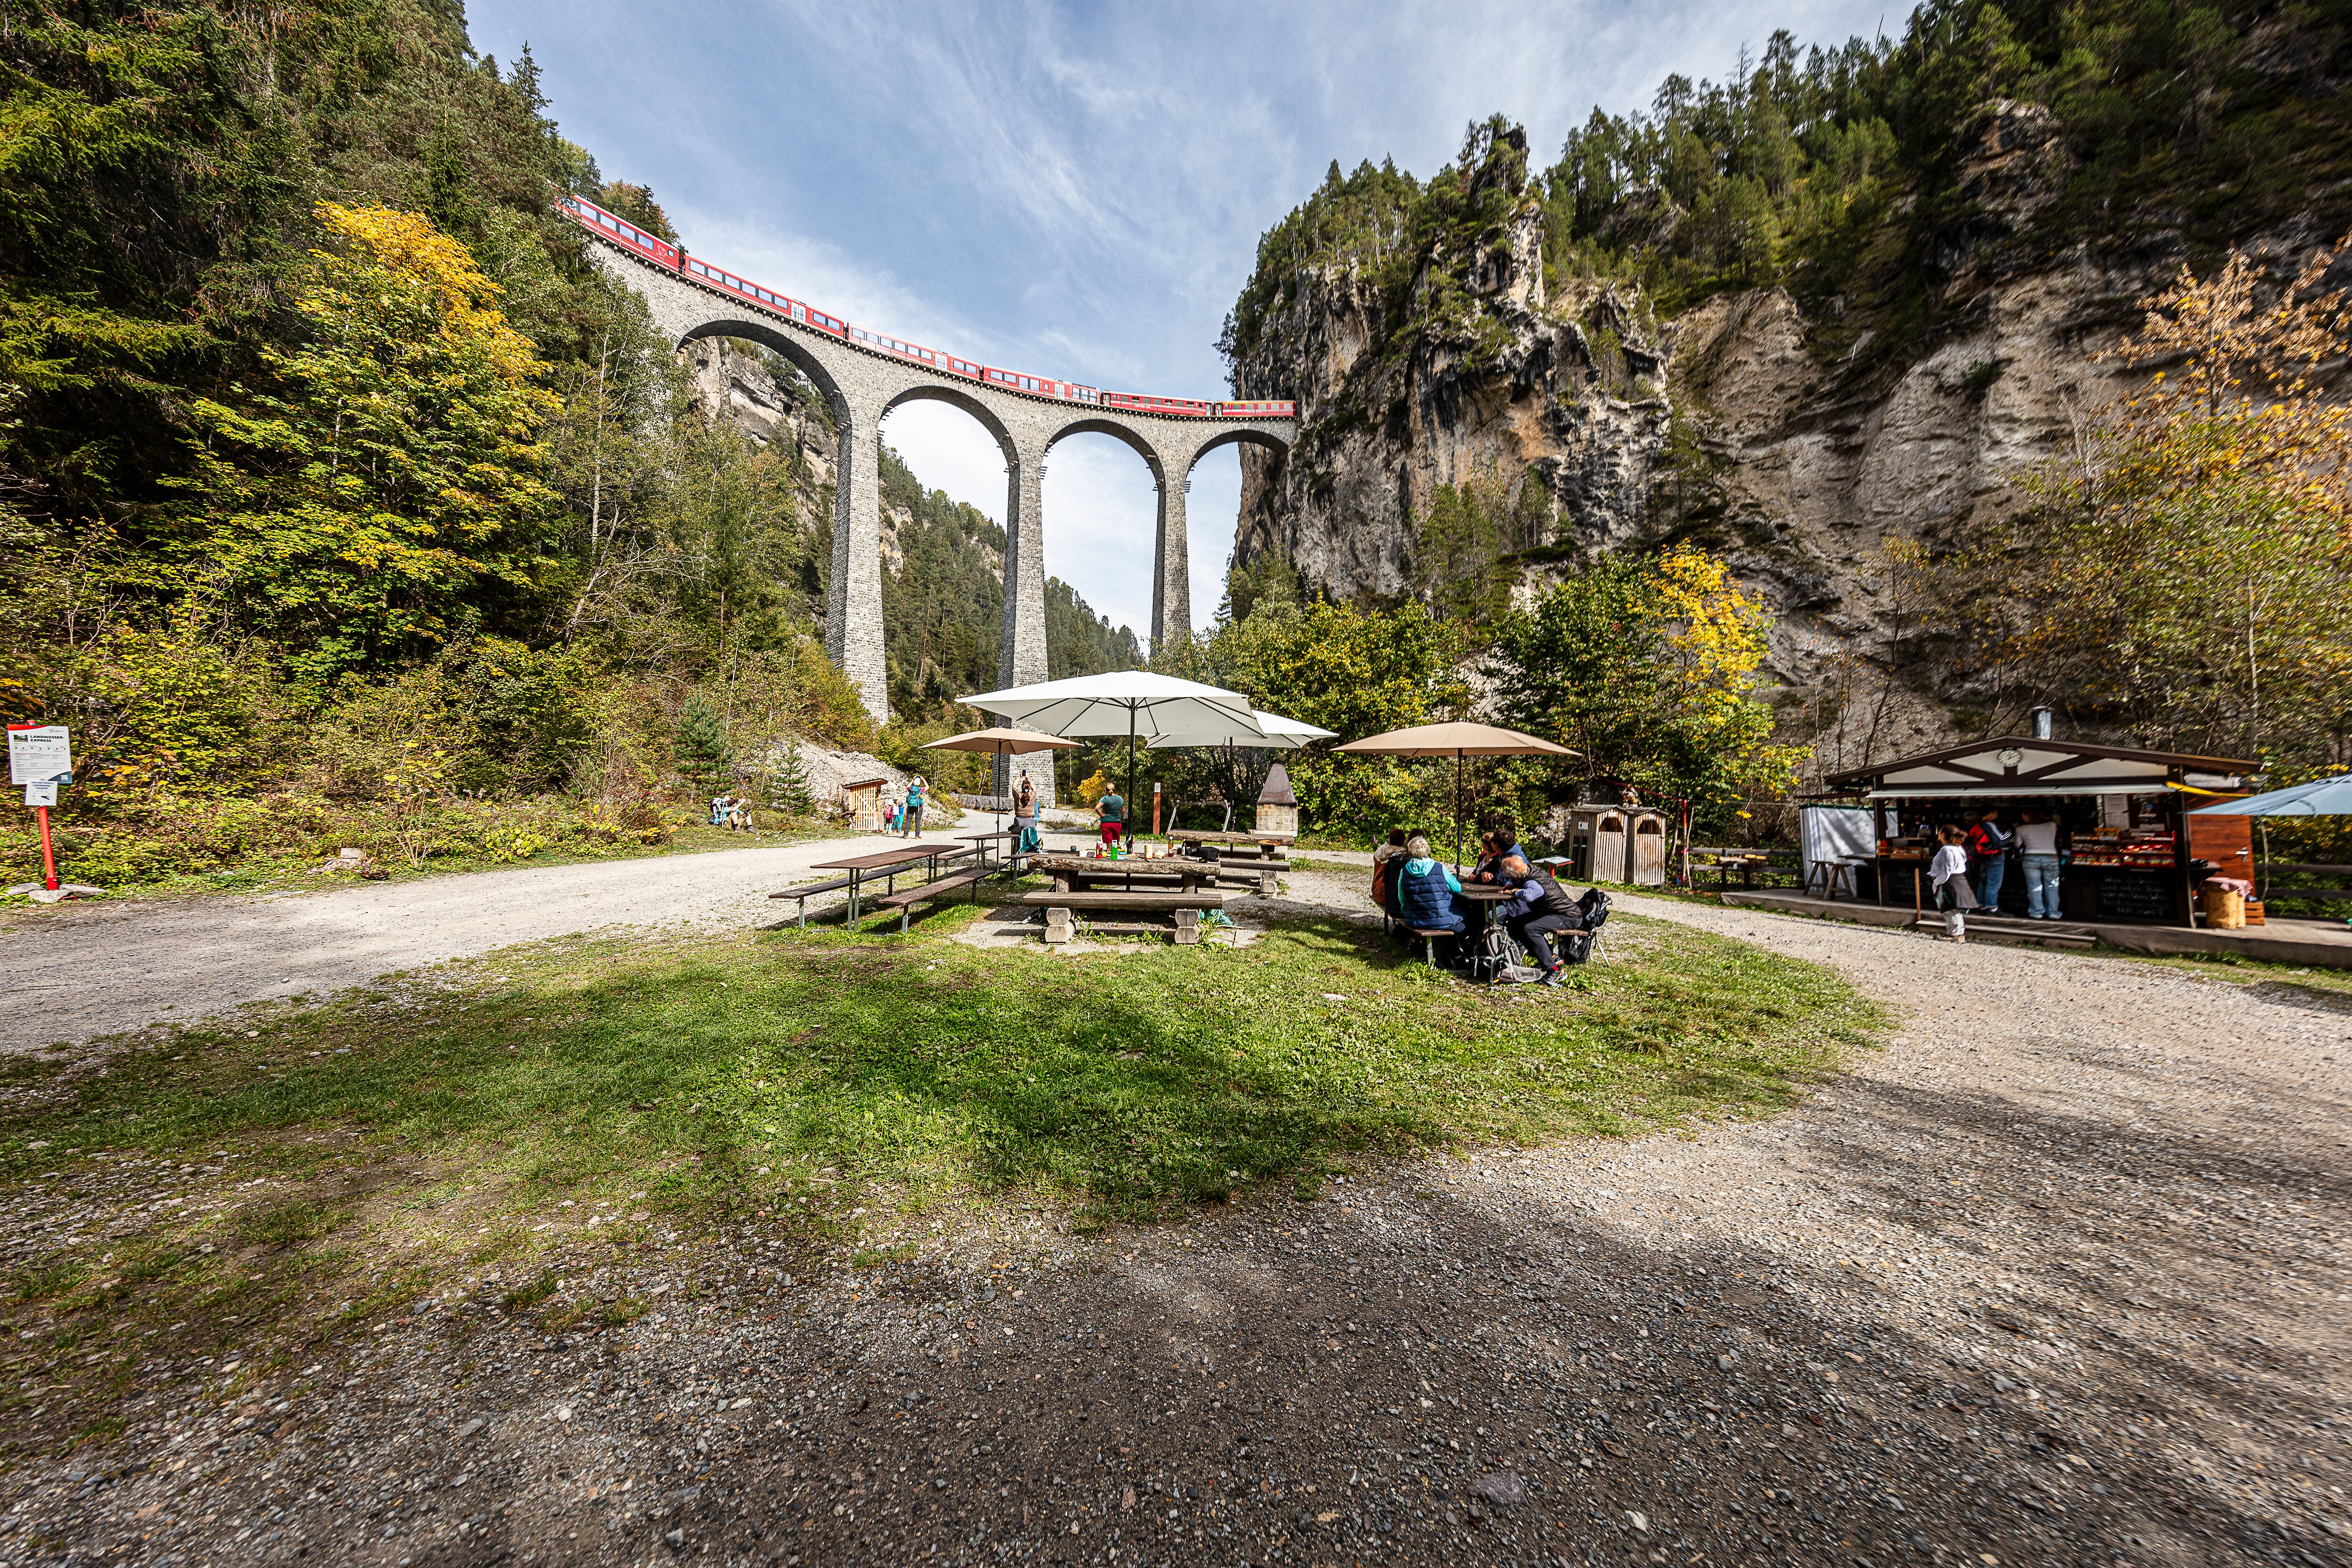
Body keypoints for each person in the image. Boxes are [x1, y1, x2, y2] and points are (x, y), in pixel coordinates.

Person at [1500, 862, 1584, 985]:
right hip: (1552, 912)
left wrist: (1514, 891)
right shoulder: (1528, 869)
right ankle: (1550, 957)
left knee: (1531, 929)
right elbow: (1515, 875)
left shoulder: (1531, 882)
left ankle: (1555, 971)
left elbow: (1530, 895)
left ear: (1516, 876)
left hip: (1568, 916)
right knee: (1515, 923)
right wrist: (1510, 884)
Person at [1395, 833, 1466, 935]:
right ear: (1428, 850)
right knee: (1467, 920)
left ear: (1410, 851)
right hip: (1441, 919)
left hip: (1414, 920)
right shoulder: (1439, 868)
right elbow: (1457, 888)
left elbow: (1402, 898)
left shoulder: (1404, 871)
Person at [2014, 808, 2063, 920]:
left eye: (2024, 815)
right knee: (2052, 886)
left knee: (2034, 887)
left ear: (2028, 816)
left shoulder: (2021, 829)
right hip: (2051, 857)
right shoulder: (2051, 825)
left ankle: (2037, 912)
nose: (2022, 817)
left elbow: (2017, 845)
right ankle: (2053, 913)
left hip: (2031, 858)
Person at [1931, 823, 1976, 942]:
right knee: (1954, 909)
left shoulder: (1946, 850)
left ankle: (1956, 934)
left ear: (1942, 834)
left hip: (1948, 881)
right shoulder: (1959, 847)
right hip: (1959, 879)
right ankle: (1959, 933)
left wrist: (1937, 882)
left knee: (1949, 908)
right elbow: (1965, 861)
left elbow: (1947, 870)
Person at [1968, 807, 2012, 915]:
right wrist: (2010, 833)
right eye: (1996, 812)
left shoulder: (1978, 825)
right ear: (1992, 813)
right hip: (1995, 858)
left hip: (1983, 859)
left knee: (1984, 883)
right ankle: (1993, 909)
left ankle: (1982, 907)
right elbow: (2000, 841)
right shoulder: (1989, 825)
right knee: (1993, 884)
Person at [1371, 828, 1409, 907]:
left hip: (1375, 891)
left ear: (1389, 839)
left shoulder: (1380, 850)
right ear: (1403, 841)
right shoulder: (1401, 856)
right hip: (1389, 896)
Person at [1012, 774, 1041, 867]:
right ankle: (1030, 864)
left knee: (1018, 844)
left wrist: (1020, 777)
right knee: (1030, 843)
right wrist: (1029, 779)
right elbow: (1035, 789)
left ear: (1022, 788)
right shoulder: (1032, 798)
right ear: (1029, 789)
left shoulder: (1018, 797)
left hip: (1018, 823)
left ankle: (1017, 866)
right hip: (1030, 822)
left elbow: (1014, 787)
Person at [1097, 784, 1126, 848]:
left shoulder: (1105, 799)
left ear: (1106, 790)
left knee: (1109, 842)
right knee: (1116, 841)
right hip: (1117, 823)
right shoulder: (1120, 799)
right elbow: (1123, 811)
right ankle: (1117, 853)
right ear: (1114, 789)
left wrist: (1101, 814)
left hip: (1106, 823)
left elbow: (1097, 808)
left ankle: (1109, 852)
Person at [902, 775, 926, 839]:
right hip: (919, 806)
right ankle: (917, 835)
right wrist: (923, 780)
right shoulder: (920, 789)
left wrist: (912, 780)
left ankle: (906, 835)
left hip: (910, 806)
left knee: (908, 820)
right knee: (918, 821)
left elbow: (907, 786)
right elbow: (928, 787)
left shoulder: (911, 789)